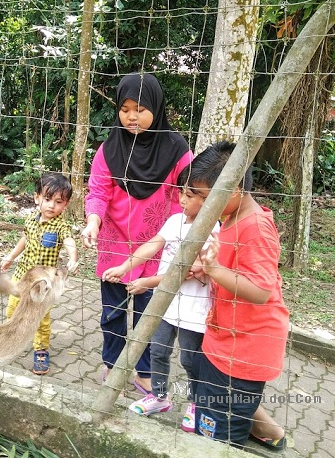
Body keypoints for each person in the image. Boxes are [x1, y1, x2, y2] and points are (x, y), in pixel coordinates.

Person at [81, 72, 192, 395]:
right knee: (112, 313)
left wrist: (178, 234)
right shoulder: (109, 148)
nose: (132, 116)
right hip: (115, 244)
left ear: (156, 108)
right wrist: (92, 221)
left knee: (150, 314)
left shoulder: (177, 149)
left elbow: (187, 194)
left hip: (158, 247)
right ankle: (113, 365)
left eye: (140, 109)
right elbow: (98, 191)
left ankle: (144, 372)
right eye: (125, 108)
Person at [102, 157, 218, 431]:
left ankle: (195, 403)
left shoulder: (213, 231)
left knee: (190, 358)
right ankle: (159, 396)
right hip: (166, 303)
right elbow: (150, 246)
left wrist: (148, 282)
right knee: (158, 351)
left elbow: (187, 271)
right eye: (181, 192)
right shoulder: (175, 220)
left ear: (210, 200)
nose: (183, 199)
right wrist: (125, 266)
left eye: (191, 195)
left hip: (194, 309)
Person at [192, 141, 289, 451]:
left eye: (206, 198)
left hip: (245, 348)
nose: (202, 206)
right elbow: (236, 268)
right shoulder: (231, 218)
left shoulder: (257, 227)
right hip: (226, 339)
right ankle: (265, 431)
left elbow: (261, 290)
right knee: (216, 406)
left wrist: (216, 270)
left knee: (218, 435)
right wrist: (209, 270)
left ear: (233, 190)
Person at [0, 173, 79, 374]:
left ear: (65, 204)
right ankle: (10, 339)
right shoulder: (31, 221)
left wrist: (73, 257)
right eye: (47, 199)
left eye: (58, 201)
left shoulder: (61, 225)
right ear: (37, 198)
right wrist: (10, 257)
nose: (51, 205)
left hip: (44, 283)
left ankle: (41, 350)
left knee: (41, 317)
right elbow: (24, 240)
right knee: (12, 309)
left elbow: (69, 240)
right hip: (22, 276)